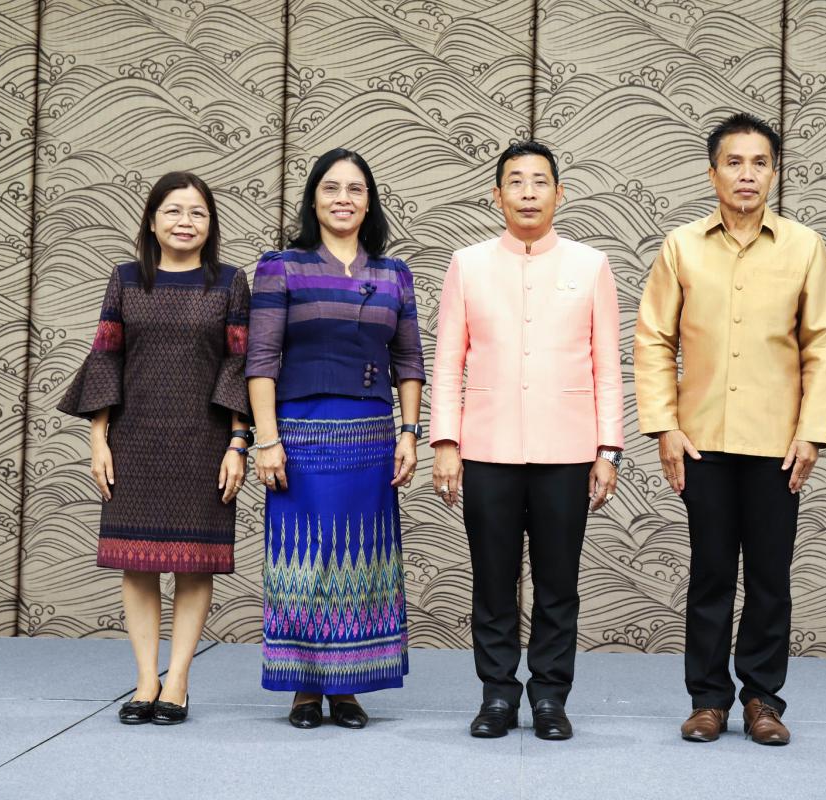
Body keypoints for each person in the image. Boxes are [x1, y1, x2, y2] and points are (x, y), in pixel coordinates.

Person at [634, 112, 826, 746]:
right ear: (712, 173)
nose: (746, 174)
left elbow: (822, 344)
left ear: (773, 174)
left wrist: (811, 432)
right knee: (711, 574)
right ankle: (707, 700)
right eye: (734, 162)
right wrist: (664, 427)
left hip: (779, 445)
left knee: (770, 577)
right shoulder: (682, 247)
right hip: (701, 442)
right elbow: (654, 339)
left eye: (759, 163)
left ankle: (762, 700)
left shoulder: (804, 247)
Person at [429, 141, 624, 740]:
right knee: (492, 580)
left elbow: (608, 367)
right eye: (516, 181)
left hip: (568, 451)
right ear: (497, 196)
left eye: (540, 181)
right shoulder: (468, 264)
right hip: (487, 449)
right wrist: (445, 441)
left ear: (560, 194)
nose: (529, 192)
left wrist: (608, 449)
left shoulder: (590, 265)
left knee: (558, 584)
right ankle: (496, 694)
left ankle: (549, 697)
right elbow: (448, 362)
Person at [59, 171, 251, 726]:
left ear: (211, 224)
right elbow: (106, 356)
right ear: (151, 219)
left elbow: (239, 364)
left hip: (204, 442)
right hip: (134, 441)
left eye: (197, 213)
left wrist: (238, 442)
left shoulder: (230, 283)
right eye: (173, 211)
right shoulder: (125, 279)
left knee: (194, 566)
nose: (185, 222)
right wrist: (98, 438)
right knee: (137, 565)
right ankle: (146, 680)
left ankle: (179, 681)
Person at [245, 148, 424, 730]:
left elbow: (409, 361)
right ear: (314, 200)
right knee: (302, 560)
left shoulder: (394, 274)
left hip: (371, 438)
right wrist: (266, 440)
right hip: (299, 436)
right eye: (331, 188)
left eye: (355, 189)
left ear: (369, 203)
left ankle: (347, 688)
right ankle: (304, 687)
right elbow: (261, 360)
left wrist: (409, 433)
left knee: (362, 559)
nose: (343, 198)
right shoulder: (282, 267)